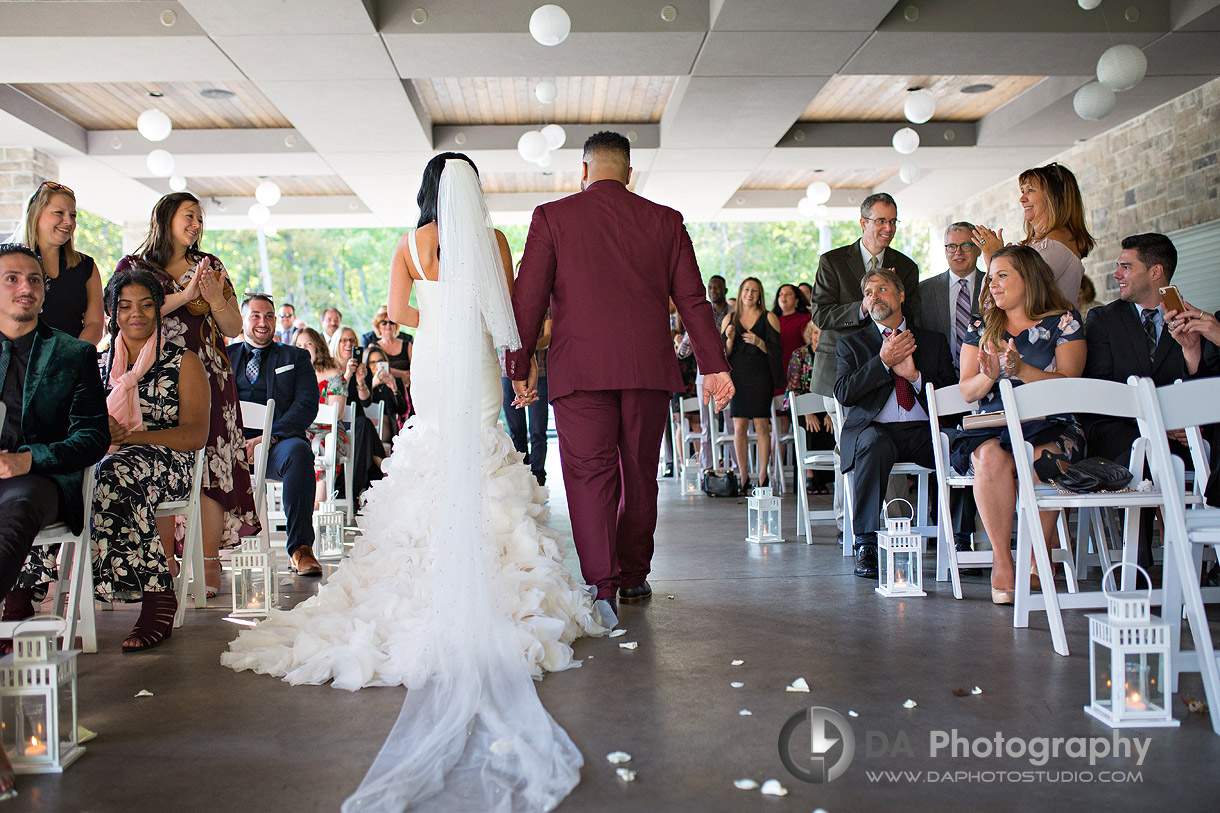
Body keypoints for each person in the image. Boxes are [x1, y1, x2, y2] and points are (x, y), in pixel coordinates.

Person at [224, 155, 607, 811]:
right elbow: (505, 311)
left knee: (433, 448)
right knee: (484, 449)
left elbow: (399, 317)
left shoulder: (408, 244)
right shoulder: (490, 240)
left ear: (426, 191)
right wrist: (486, 334)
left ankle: (425, 562)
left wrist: (439, 312)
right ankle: (489, 565)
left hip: (433, 362)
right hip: (477, 360)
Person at [508, 131, 734, 611]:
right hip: (646, 368)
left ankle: (603, 586)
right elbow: (693, 299)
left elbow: (526, 299)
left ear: (584, 172)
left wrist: (519, 362)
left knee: (590, 476)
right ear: (631, 175)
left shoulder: (552, 217)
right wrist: (713, 365)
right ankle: (633, 576)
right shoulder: (666, 221)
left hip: (579, 370)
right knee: (639, 473)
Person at [0, 243, 107, 793]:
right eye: (13, 279)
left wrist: (28, 458)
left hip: (36, 484)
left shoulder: (72, 354)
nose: (26, 289)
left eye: (35, 281)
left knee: (13, 518)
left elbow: (94, 437)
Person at [117, 193, 259, 597]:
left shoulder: (209, 265)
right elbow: (129, 315)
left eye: (200, 217)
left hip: (211, 377)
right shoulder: (134, 267)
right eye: (189, 215)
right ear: (165, 218)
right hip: (155, 378)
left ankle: (210, 564)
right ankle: (164, 563)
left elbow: (233, 327)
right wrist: (183, 295)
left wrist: (214, 298)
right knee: (161, 461)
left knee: (212, 466)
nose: (197, 223)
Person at [952, 245, 1086, 604]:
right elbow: (967, 390)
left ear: (1029, 278)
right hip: (994, 424)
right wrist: (989, 377)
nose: (992, 284)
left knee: (1044, 459)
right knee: (991, 459)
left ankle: (1037, 554)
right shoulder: (980, 324)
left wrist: (1022, 371)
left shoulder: (1065, 320)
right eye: (991, 277)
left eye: (1002, 275)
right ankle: (1002, 558)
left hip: (1051, 423)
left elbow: (1071, 384)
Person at [1082, 233, 1217, 570]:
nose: (1117, 274)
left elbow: (1204, 386)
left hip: (1179, 434)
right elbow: (1101, 390)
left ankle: (1187, 563)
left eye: (1126, 267)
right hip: (1120, 428)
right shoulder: (1103, 320)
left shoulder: (1195, 320)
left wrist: (1192, 353)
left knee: (1175, 454)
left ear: (1156, 272)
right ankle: (1138, 566)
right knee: (1140, 453)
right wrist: (1155, 424)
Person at [91, 268, 209, 650]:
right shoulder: (97, 365)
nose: (135, 313)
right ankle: (22, 596)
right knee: (52, 476)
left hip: (170, 462)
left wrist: (132, 438)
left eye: (145, 304)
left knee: (115, 471)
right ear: (113, 313)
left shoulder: (183, 361)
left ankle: (158, 595)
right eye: (124, 306)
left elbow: (195, 435)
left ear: (159, 310)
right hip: (111, 459)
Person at [835, 269, 956, 577]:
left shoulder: (931, 341)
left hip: (921, 430)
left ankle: (960, 537)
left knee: (959, 445)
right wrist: (883, 362)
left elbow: (950, 393)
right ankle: (867, 543)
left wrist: (915, 377)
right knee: (873, 445)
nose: (874, 296)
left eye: (882, 288)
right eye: (868, 292)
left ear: (901, 295)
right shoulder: (853, 344)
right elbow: (845, 393)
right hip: (876, 430)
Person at [227, 297, 322, 577]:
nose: (263, 323)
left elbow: (306, 405)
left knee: (300, 454)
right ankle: (210, 552)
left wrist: (268, 437)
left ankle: (300, 548)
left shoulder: (295, 357)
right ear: (243, 320)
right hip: (230, 447)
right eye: (255, 316)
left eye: (269, 316)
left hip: (278, 445)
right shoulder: (224, 356)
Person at [918, 221, 985, 553]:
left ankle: (965, 533)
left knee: (975, 449)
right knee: (944, 451)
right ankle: (940, 525)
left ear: (977, 247)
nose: (957, 252)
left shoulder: (994, 284)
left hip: (987, 385)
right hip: (941, 385)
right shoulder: (926, 290)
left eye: (965, 245)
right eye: (950, 246)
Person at [973, 162, 1095, 302]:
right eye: (1022, 191)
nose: (1022, 199)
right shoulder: (1037, 243)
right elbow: (989, 302)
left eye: (1030, 190)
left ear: (1053, 197)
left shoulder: (1057, 244)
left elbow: (1020, 295)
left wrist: (994, 258)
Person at [9, 182, 104, 344]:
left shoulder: (86, 266)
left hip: (71, 363)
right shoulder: (8, 261)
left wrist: (73, 355)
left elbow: (95, 323)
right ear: (35, 214)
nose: (68, 221)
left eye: (73, 215)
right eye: (59, 213)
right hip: (19, 361)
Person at [722, 277, 781, 492]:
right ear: (740, 292)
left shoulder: (769, 317)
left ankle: (763, 476)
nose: (750, 294)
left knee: (761, 425)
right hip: (737, 377)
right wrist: (728, 339)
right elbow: (724, 355)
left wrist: (760, 342)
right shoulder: (730, 318)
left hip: (760, 375)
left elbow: (777, 353)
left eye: (755, 291)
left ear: (760, 295)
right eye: (746, 289)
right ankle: (744, 477)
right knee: (739, 427)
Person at [293, 327, 350, 508]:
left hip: (329, 431)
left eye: (308, 344)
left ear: (317, 346)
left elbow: (337, 412)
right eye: (299, 345)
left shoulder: (334, 375)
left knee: (321, 445)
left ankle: (317, 505)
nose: (304, 349)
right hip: (302, 429)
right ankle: (294, 504)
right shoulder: (293, 374)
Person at [501, 309, 552, 486]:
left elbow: (547, 338)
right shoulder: (505, 304)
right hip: (507, 373)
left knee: (538, 430)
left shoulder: (545, 306)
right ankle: (521, 474)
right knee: (516, 429)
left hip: (541, 373)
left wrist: (524, 347)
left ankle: (538, 475)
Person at [787, 320, 834, 493]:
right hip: (801, 407)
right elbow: (793, 387)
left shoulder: (832, 355)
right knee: (807, 425)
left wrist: (831, 412)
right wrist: (807, 412)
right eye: (815, 333)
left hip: (826, 407)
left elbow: (835, 385)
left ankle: (826, 478)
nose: (818, 337)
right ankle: (810, 476)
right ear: (810, 335)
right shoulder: (799, 355)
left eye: (821, 333)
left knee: (832, 422)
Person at [360, 344, 410, 434]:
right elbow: (363, 404)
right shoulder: (362, 382)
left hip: (387, 425)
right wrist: (373, 384)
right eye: (372, 362)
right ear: (367, 364)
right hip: (367, 423)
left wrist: (394, 389)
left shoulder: (395, 380)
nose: (376, 366)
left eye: (380, 361)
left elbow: (403, 410)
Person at [773, 283, 811, 391]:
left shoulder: (805, 319)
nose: (783, 297)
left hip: (798, 372)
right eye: (781, 294)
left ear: (796, 300)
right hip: (777, 372)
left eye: (788, 294)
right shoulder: (772, 319)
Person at [368, 310, 412, 391]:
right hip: (384, 390)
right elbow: (376, 369)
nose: (388, 325)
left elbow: (415, 368)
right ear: (378, 326)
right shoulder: (374, 347)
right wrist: (403, 374)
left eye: (391, 322)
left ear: (396, 326)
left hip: (407, 388)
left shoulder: (407, 345)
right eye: (384, 323)